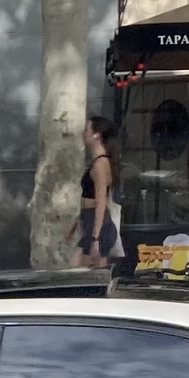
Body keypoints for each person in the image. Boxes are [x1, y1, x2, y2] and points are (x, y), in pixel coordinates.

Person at [74, 115, 119, 268]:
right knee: (91, 274)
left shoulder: (100, 164)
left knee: (78, 272)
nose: (83, 133)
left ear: (96, 134)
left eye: (86, 130)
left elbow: (101, 201)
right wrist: (75, 224)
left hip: (98, 226)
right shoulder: (97, 162)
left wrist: (95, 238)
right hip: (90, 223)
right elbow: (89, 196)